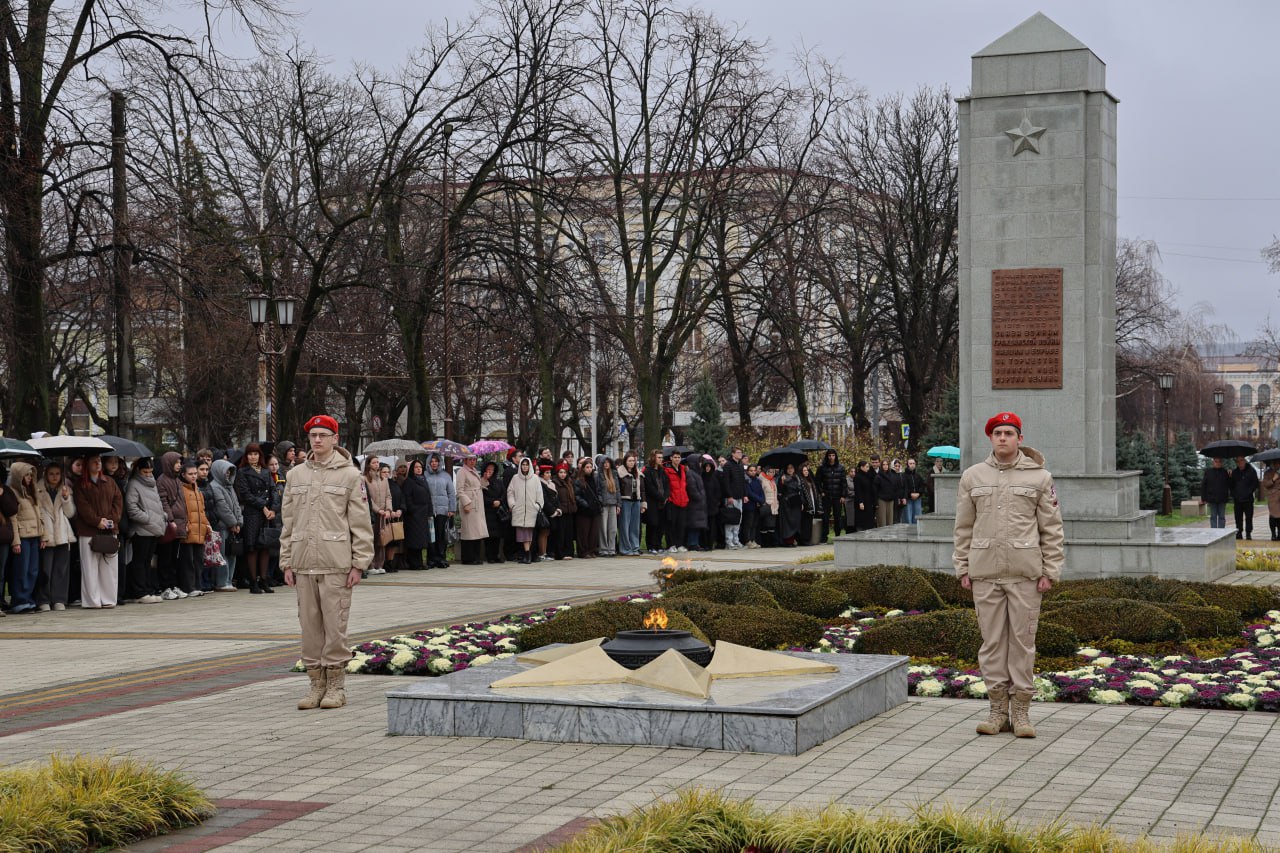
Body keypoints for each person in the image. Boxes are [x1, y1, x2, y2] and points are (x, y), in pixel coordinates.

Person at [954, 411, 1064, 739]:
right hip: (985, 572)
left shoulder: (1040, 478)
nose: (1003, 438)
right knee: (991, 643)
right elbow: (963, 528)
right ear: (990, 438)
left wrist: (1050, 571)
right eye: (997, 433)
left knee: (1023, 643)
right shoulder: (972, 477)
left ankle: (1022, 712)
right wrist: (962, 566)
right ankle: (997, 709)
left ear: (1020, 438)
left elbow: (1052, 529)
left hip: (1025, 574)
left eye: (1009, 433)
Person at [282, 415, 375, 711]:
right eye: (313, 435)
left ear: (336, 439)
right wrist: (286, 561)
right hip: (303, 562)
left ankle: (336, 685)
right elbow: (288, 522)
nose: (317, 440)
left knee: (335, 628)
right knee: (310, 628)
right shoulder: (296, 475)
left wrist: (359, 563)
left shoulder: (350, 476)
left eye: (323, 435)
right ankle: (315, 684)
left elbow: (361, 523)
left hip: (336, 564)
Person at [72, 455, 125, 609]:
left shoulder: (110, 482)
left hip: (109, 530)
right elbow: (83, 506)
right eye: (94, 461)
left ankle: (108, 599)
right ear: (87, 465)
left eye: (99, 461)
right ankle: (92, 600)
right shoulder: (80, 485)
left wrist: (111, 520)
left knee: (109, 565)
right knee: (90, 567)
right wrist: (97, 521)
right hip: (88, 531)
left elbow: (118, 501)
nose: (98, 464)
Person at [124, 459, 166, 604]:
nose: (148, 475)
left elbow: (158, 503)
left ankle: (147, 589)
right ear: (138, 470)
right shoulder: (134, 484)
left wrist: (162, 517)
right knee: (139, 562)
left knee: (148, 562)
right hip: (141, 529)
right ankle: (139, 592)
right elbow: (132, 508)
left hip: (154, 528)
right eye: (145, 472)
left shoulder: (152, 483)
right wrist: (148, 519)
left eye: (150, 472)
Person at [5, 461, 45, 614]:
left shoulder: (32, 492)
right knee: (21, 570)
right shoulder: (13, 492)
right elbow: (13, 518)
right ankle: (19, 600)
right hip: (22, 536)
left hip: (35, 535)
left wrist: (43, 535)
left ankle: (28, 599)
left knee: (32, 570)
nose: (29, 478)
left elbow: (39, 515)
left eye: (30, 475)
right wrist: (16, 541)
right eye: (26, 475)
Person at [236, 444, 276, 593]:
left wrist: (273, 509)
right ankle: (253, 582)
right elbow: (245, 495)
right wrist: (263, 507)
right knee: (252, 547)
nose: (253, 457)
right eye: (250, 454)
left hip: (267, 514)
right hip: (252, 513)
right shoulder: (242, 472)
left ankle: (264, 580)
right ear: (246, 456)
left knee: (265, 546)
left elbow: (274, 491)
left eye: (256, 454)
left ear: (260, 456)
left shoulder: (266, 472)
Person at [37, 463, 76, 611]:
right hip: (46, 534)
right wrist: (42, 535)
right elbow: (38, 513)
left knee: (61, 569)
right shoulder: (38, 489)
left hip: (62, 534)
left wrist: (66, 499)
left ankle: (59, 598)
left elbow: (70, 513)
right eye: (51, 473)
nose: (54, 477)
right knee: (45, 569)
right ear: (46, 474)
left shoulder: (66, 489)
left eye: (57, 474)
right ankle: (44, 599)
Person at [208, 460, 245, 592]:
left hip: (233, 527)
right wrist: (233, 523)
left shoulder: (229, 486)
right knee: (222, 555)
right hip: (222, 527)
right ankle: (222, 582)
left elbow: (236, 505)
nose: (228, 475)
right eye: (226, 472)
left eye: (230, 472)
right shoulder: (214, 486)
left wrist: (239, 522)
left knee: (232, 553)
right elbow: (222, 507)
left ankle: (229, 580)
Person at [155, 451, 188, 600]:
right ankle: (165, 586)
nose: (179, 465)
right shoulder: (162, 480)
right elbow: (164, 502)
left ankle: (173, 585)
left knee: (175, 557)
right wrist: (171, 520)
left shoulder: (177, 480)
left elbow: (182, 502)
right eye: (176, 463)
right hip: (170, 525)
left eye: (180, 463)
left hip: (180, 523)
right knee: (165, 557)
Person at [177, 461, 209, 597]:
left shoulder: (197, 489)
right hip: (189, 529)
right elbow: (182, 510)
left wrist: (207, 524)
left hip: (200, 528)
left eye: (195, 473)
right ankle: (188, 587)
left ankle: (197, 585)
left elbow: (202, 510)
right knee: (187, 560)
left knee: (198, 559)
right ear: (183, 474)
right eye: (190, 474)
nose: (194, 476)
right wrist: (187, 524)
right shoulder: (181, 489)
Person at [506, 457, 543, 564]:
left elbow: (540, 494)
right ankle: (526, 555)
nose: (525, 466)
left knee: (529, 534)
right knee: (522, 534)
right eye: (523, 464)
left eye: (527, 465)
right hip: (519, 511)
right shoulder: (515, 478)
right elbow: (510, 492)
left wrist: (538, 506)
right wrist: (513, 505)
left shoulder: (535, 478)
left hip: (532, 511)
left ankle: (527, 555)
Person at [454, 455, 488, 565]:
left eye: (474, 459)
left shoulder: (474, 471)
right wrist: (466, 503)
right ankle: (468, 558)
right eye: (470, 459)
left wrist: (484, 480)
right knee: (469, 531)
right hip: (469, 504)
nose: (473, 461)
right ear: (465, 460)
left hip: (477, 503)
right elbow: (460, 490)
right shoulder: (462, 472)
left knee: (477, 531)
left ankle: (476, 556)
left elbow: (478, 486)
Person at [425, 455, 457, 568]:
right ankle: (431, 559)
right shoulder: (425, 475)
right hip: (430, 510)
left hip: (442, 510)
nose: (434, 463)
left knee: (441, 535)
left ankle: (441, 558)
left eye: (436, 461)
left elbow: (451, 493)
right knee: (431, 536)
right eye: (432, 461)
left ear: (439, 463)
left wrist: (452, 509)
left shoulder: (446, 475)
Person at [400, 459, 433, 570]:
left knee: (421, 540)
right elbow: (407, 498)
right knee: (414, 540)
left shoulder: (424, 480)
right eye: (416, 467)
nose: (419, 469)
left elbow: (428, 497)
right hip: (413, 515)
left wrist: (429, 512)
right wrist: (413, 509)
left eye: (420, 467)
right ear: (412, 469)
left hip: (423, 514)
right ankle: (414, 563)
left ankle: (419, 562)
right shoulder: (409, 481)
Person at [364, 455, 393, 575]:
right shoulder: (364, 479)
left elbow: (388, 496)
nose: (376, 465)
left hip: (383, 514)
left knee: (381, 539)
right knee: (371, 539)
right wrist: (377, 510)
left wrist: (388, 509)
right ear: (368, 464)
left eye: (378, 462)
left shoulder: (383, 479)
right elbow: (367, 498)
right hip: (371, 513)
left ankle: (379, 564)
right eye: (374, 462)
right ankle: (370, 565)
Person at [574, 459, 602, 559]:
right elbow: (577, 496)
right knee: (583, 532)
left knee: (593, 532)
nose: (589, 469)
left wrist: (598, 503)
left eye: (591, 467)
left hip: (594, 510)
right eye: (587, 467)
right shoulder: (578, 481)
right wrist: (586, 504)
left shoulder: (594, 479)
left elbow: (598, 492)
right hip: (584, 511)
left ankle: (592, 550)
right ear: (583, 468)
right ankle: (583, 551)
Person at [480, 461, 507, 563]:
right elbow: (481, 496)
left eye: (492, 469)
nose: (490, 471)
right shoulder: (482, 481)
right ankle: (489, 556)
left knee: (497, 536)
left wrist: (499, 501)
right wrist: (492, 502)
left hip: (498, 512)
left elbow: (504, 493)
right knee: (489, 536)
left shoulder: (499, 481)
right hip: (488, 511)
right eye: (488, 469)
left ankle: (496, 555)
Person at [816, 450, 846, 542]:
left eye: (833, 455)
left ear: (835, 456)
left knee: (838, 516)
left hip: (837, 496)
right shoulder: (822, 468)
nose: (831, 457)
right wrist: (821, 492)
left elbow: (843, 483)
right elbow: (817, 481)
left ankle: (837, 535)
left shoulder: (841, 468)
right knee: (825, 517)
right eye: (830, 455)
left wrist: (843, 495)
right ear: (827, 456)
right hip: (826, 496)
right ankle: (824, 537)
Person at [617, 452, 643, 556]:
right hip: (625, 500)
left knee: (635, 526)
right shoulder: (620, 473)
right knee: (624, 525)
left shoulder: (637, 472)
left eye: (633, 461)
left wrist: (643, 503)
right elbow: (617, 489)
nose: (632, 463)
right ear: (625, 461)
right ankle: (625, 548)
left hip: (636, 501)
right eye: (630, 461)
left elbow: (642, 489)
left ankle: (634, 547)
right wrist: (618, 503)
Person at [643, 449, 669, 554]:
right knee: (652, 524)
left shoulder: (662, 471)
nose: (661, 459)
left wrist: (666, 496)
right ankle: (651, 545)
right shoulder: (647, 471)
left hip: (662, 503)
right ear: (653, 458)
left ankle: (658, 545)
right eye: (659, 457)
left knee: (661, 525)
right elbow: (649, 488)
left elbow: (667, 485)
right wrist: (661, 497)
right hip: (652, 502)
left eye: (662, 458)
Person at [662, 451, 689, 553]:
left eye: (678, 457)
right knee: (671, 524)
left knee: (681, 524)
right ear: (671, 458)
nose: (677, 459)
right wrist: (669, 498)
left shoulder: (683, 469)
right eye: (675, 457)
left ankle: (679, 544)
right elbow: (666, 486)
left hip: (683, 501)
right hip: (672, 501)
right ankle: (671, 544)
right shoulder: (667, 470)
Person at [1229, 456, 1260, 540]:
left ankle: (1248, 533)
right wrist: (1230, 478)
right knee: (1238, 517)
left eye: (1241, 461)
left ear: (1245, 461)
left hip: (1248, 499)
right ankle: (1239, 532)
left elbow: (1255, 484)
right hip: (1238, 499)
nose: (1240, 463)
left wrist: (1249, 491)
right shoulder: (1234, 472)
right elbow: (1231, 485)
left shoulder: (1251, 471)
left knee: (1249, 517)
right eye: (1238, 461)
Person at [595, 456, 620, 556]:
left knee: (613, 528)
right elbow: (598, 491)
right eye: (604, 463)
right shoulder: (598, 475)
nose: (606, 464)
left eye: (608, 462)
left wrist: (618, 504)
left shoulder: (614, 474)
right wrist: (601, 502)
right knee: (603, 528)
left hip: (613, 504)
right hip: (604, 505)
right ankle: (603, 549)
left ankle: (612, 548)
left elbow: (617, 490)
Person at [553, 463, 576, 560]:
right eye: (561, 472)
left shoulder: (569, 483)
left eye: (564, 472)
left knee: (568, 533)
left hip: (569, 511)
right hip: (561, 512)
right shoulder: (555, 483)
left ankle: (569, 551)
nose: (563, 474)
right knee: (561, 534)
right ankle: (560, 553)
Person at [1199, 457, 1230, 529]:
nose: (1218, 463)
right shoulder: (1208, 472)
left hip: (1222, 498)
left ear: (1221, 463)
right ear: (1213, 462)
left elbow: (1229, 484)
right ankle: (1214, 532)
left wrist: (1230, 476)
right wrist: (1203, 498)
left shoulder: (1225, 472)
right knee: (1213, 516)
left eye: (1219, 462)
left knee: (1222, 516)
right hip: (1211, 498)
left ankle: (1221, 532)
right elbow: (1204, 485)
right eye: (1216, 461)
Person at [537, 464, 560, 561]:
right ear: (542, 474)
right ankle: (542, 553)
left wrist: (558, 509)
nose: (549, 474)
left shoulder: (551, 483)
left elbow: (556, 498)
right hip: (545, 512)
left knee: (547, 533)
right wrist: (552, 511)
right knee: (543, 532)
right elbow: (545, 500)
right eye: (546, 472)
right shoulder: (540, 484)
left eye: (550, 472)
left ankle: (546, 552)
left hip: (553, 512)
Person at [742, 464, 763, 548]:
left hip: (757, 505)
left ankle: (753, 540)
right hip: (749, 505)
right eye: (751, 470)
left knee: (754, 524)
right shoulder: (747, 480)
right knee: (748, 524)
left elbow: (761, 491)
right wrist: (759, 499)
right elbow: (749, 493)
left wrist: (761, 500)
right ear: (747, 471)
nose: (753, 472)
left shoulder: (757, 480)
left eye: (754, 470)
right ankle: (747, 541)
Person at [874, 457, 899, 527]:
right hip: (881, 500)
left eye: (887, 464)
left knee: (890, 521)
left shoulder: (892, 475)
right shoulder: (878, 476)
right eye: (884, 464)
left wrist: (895, 499)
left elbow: (895, 488)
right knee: (882, 521)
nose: (885, 466)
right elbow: (875, 491)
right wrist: (875, 502)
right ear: (881, 466)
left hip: (891, 500)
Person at [901, 458, 927, 525]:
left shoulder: (918, 475)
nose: (912, 465)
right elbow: (904, 487)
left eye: (913, 463)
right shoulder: (903, 475)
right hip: (908, 499)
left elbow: (922, 485)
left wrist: (919, 493)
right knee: (908, 518)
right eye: (910, 463)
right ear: (907, 465)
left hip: (917, 499)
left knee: (917, 517)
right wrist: (910, 494)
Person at [853, 460, 877, 531]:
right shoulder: (857, 477)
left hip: (868, 501)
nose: (868, 468)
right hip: (862, 502)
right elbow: (858, 490)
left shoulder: (867, 475)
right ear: (861, 467)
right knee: (861, 520)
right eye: (866, 467)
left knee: (869, 520)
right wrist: (860, 502)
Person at [1262, 461, 1280, 541]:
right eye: (1276, 463)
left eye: (1279, 463)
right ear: (1272, 464)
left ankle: (1279, 534)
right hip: (1272, 497)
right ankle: (1273, 534)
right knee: (1272, 516)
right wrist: (1273, 479)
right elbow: (1265, 484)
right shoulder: (1267, 473)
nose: (1278, 465)